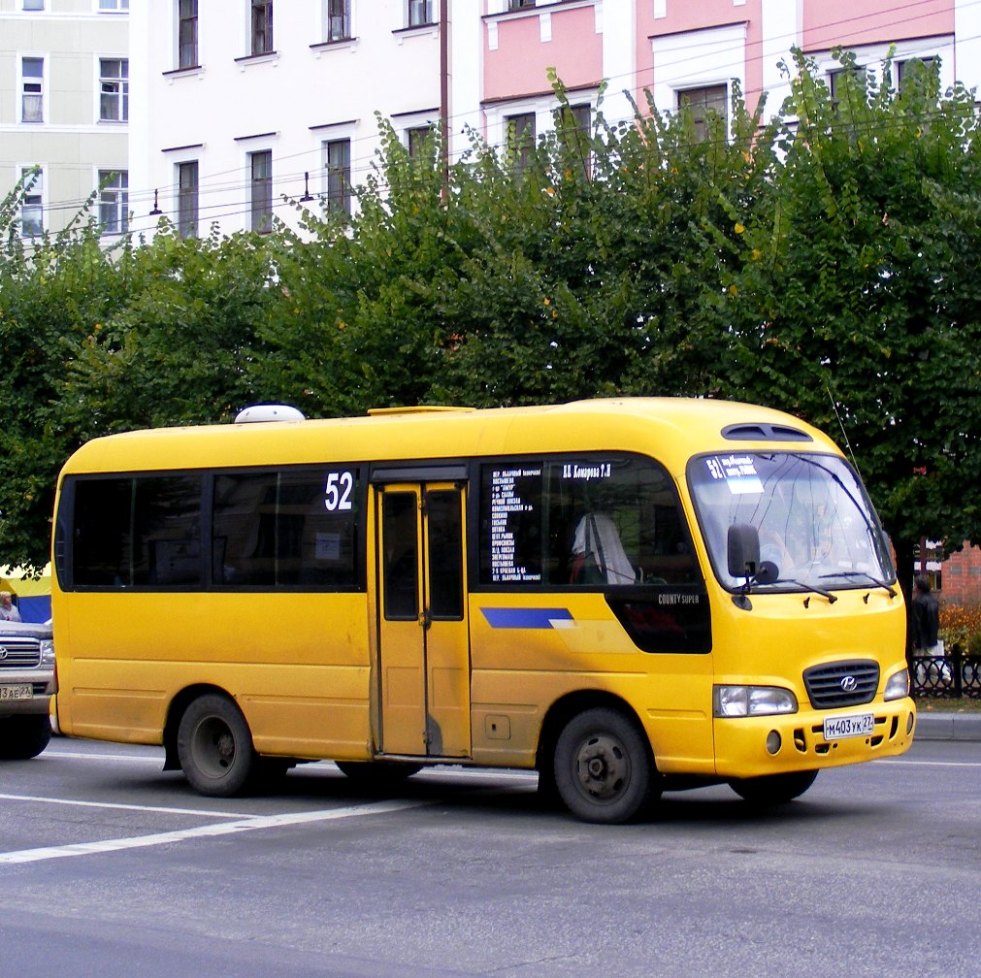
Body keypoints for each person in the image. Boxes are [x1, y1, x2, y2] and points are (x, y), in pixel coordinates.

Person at [911, 576, 949, 685]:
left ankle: (918, 686)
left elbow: (916, 622)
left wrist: (914, 638)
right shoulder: (933, 600)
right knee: (929, 661)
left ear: (918, 587)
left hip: (920, 638)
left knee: (918, 662)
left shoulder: (917, 602)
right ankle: (945, 674)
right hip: (931, 636)